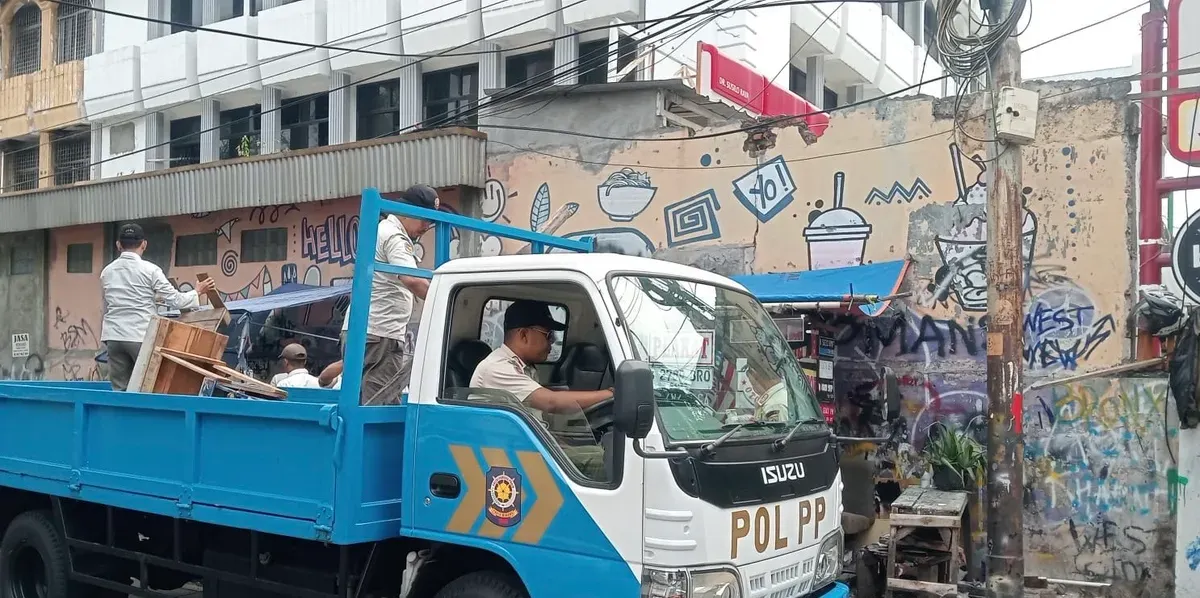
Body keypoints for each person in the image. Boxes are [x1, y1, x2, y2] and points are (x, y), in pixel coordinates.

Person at [470, 300, 612, 479]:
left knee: (599, 450)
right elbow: (551, 402)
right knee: (603, 460)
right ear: (523, 335)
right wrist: (610, 394)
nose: (552, 342)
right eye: (548, 335)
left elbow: (534, 418)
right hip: (509, 455)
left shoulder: (524, 367)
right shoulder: (497, 368)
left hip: (528, 446)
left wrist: (558, 442)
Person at [341, 185, 438, 406]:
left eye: (430, 222)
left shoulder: (382, 230)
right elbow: (412, 279)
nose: (426, 226)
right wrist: (445, 301)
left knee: (359, 402)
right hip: (380, 334)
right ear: (406, 211)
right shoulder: (395, 235)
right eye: (424, 218)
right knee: (378, 406)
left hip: (369, 331)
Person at [100, 223, 216, 391]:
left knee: (120, 391)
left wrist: (152, 297)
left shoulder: (107, 272)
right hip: (140, 335)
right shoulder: (150, 270)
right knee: (146, 388)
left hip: (114, 337)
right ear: (144, 244)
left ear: (118, 245)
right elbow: (177, 301)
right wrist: (197, 291)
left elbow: (125, 296)